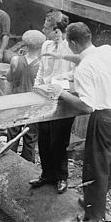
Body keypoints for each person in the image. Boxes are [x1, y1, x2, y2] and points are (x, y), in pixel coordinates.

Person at [53, 22, 111, 222]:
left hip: (103, 117)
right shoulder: (107, 50)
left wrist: (60, 92)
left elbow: (87, 106)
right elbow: (86, 56)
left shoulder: (83, 69)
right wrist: (63, 57)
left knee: (95, 167)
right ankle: (93, 201)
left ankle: (94, 217)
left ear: (72, 43)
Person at [28, 11, 76, 194]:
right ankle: (47, 174)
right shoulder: (46, 44)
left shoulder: (71, 48)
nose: (42, 29)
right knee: (44, 139)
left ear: (57, 31)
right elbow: (42, 68)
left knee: (58, 141)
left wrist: (58, 83)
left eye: (46, 27)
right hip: (45, 97)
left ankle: (61, 177)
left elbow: (75, 73)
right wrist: (37, 86)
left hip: (63, 98)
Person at [4, 30, 46, 163]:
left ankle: (9, 162)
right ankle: (27, 165)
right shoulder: (42, 64)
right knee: (30, 139)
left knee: (12, 137)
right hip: (33, 106)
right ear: (40, 46)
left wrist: (7, 101)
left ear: (25, 44)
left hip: (16, 104)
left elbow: (8, 81)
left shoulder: (15, 60)